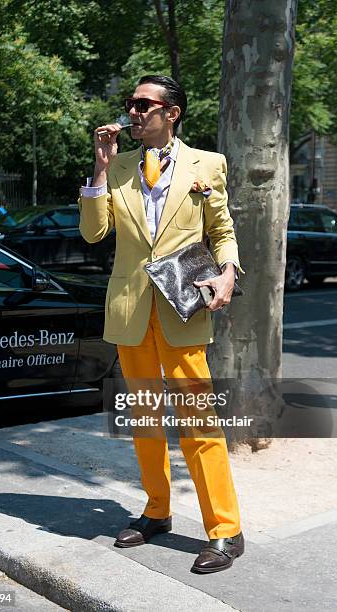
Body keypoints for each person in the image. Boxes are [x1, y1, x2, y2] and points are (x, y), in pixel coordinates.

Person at [78, 75, 244, 574]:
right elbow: (93, 233)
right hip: (131, 311)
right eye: (130, 103)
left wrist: (229, 274)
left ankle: (225, 530)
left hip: (182, 307)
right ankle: (156, 510)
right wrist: (100, 171)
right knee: (145, 420)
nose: (132, 111)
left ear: (171, 112)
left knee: (199, 423)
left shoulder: (207, 164)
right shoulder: (121, 165)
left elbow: (222, 231)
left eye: (143, 104)